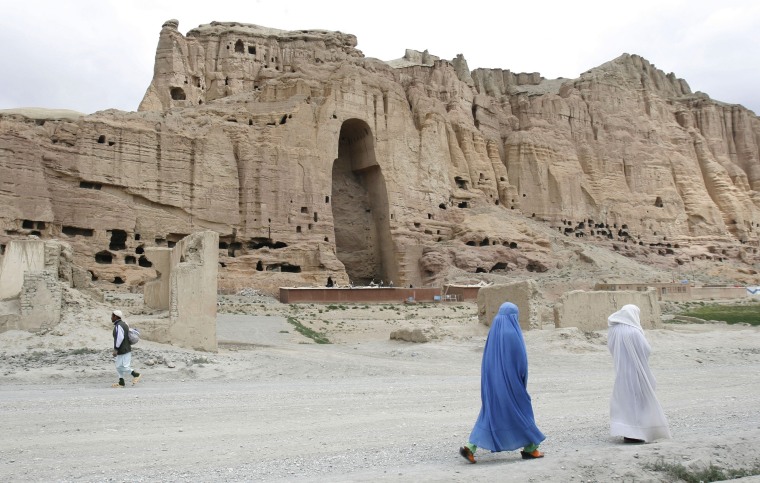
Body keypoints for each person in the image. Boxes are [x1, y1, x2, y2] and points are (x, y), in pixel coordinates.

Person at [460, 302, 545, 463]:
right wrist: (521, 380)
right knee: (522, 410)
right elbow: (521, 361)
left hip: (491, 381)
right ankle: (531, 449)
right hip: (511, 383)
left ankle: (470, 447)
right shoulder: (512, 333)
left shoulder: (494, 331)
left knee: (490, 413)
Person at [607, 304, 671, 443]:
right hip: (636, 371)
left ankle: (627, 432)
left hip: (621, 371)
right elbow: (646, 349)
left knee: (624, 401)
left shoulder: (613, 330)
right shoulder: (634, 332)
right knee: (639, 400)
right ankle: (638, 433)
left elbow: (611, 347)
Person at [111, 310, 141, 388]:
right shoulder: (123, 324)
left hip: (123, 350)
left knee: (124, 366)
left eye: (112, 316)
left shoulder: (119, 325)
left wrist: (116, 349)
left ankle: (136, 375)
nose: (111, 318)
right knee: (118, 366)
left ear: (115, 316)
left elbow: (120, 338)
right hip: (123, 349)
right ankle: (121, 382)